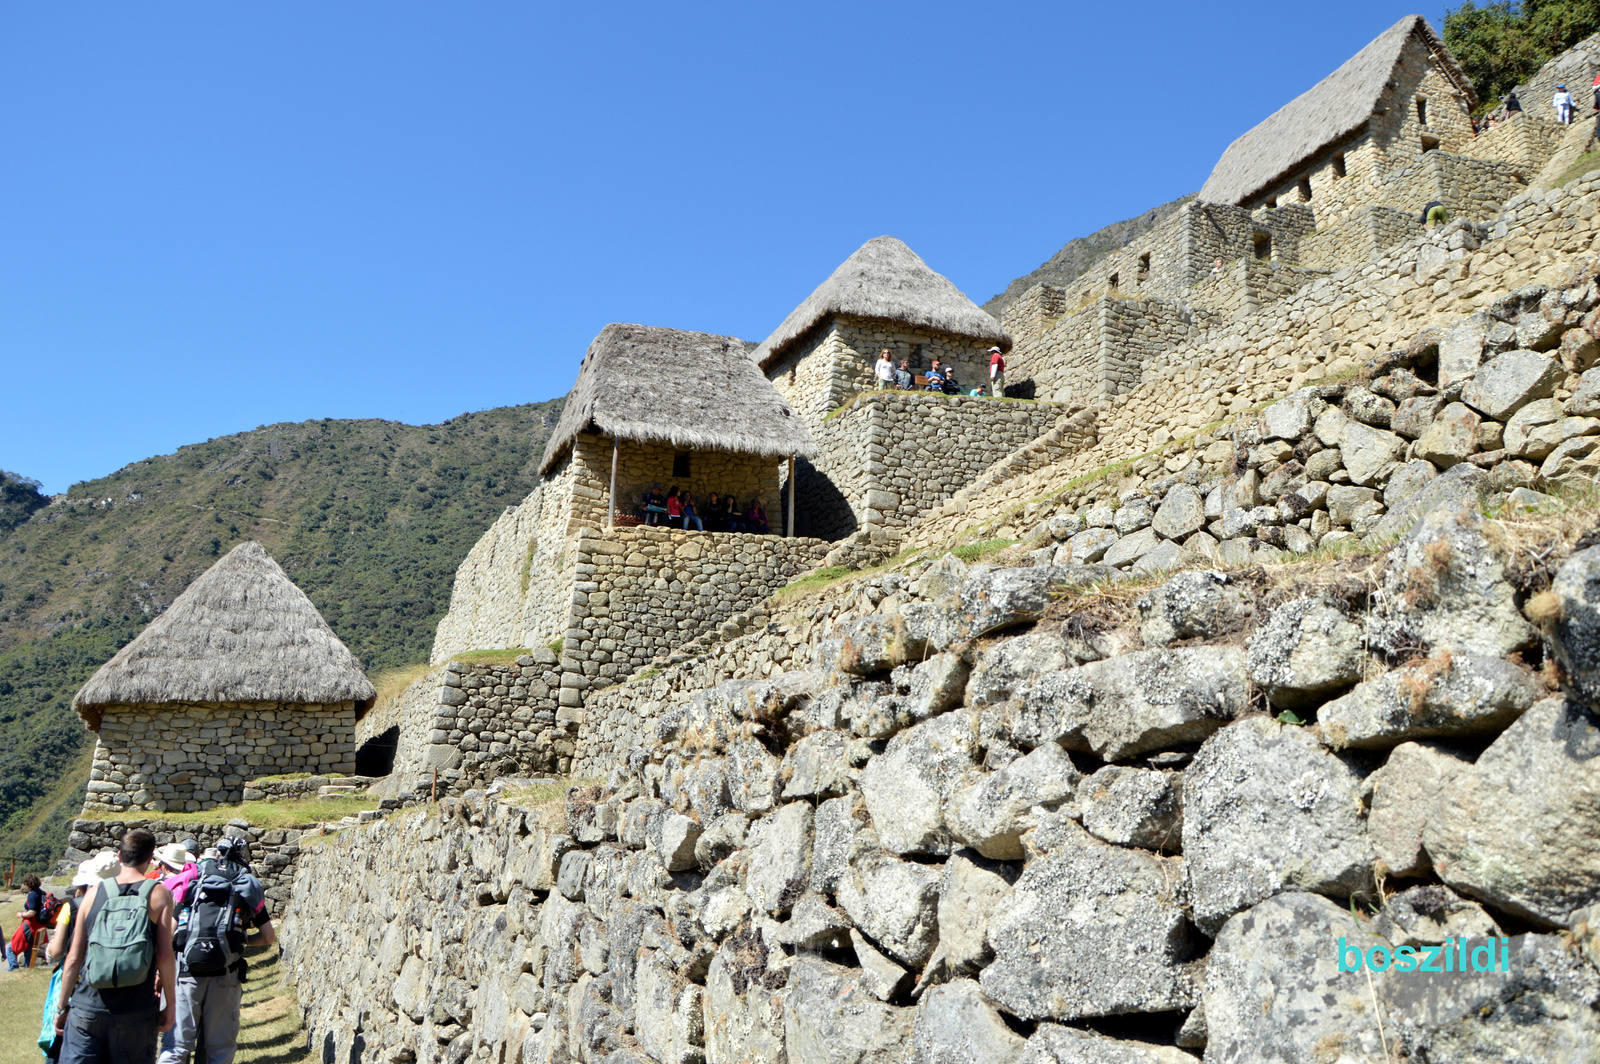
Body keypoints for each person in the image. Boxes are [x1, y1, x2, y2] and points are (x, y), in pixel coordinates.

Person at [55, 828, 178, 1064]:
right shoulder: (159, 894)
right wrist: (170, 1005)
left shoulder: (93, 894)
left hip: (88, 1006)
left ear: (120, 856)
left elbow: (73, 957)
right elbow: (164, 955)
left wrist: (61, 1006)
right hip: (137, 1009)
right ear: (151, 859)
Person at [157, 836, 274, 1064]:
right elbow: (268, 937)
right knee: (219, 1048)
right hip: (225, 975)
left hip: (187, 972)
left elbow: (169, 932)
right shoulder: (246, 883)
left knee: (177, 1046)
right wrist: (241, 939)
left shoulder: (193, 877)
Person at [8, 872, 47, 968]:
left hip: (30, 925)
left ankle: (13, 968)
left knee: (11, 948)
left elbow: (32, 912)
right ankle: (28, 968)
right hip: (39, 925)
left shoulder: (32, 895)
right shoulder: (42, 893)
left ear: (28, 884)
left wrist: (21, 914)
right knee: (28, 947)